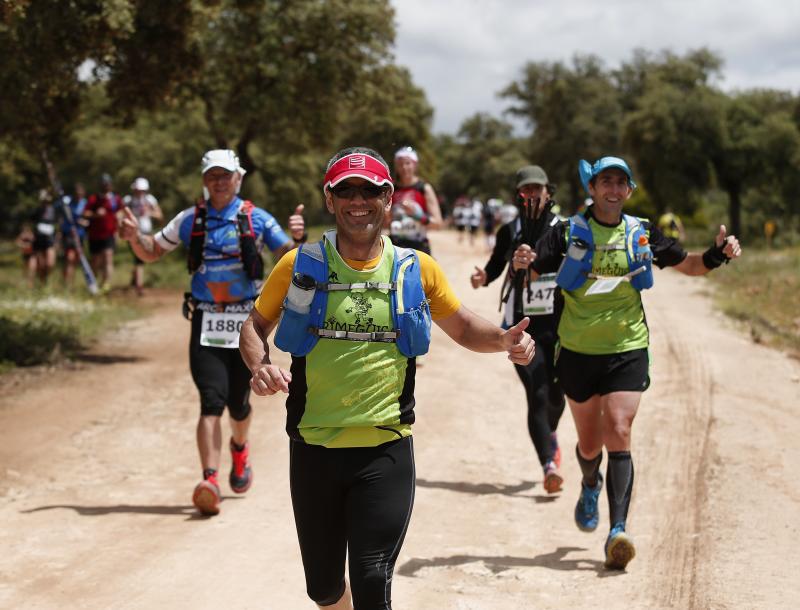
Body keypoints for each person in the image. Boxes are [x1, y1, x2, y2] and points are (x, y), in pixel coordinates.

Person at [238, 146, 534, 610]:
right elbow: (253, 327)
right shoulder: (299, 266)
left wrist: (503, 341)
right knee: (324, 588)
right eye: (346, 191)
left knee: (373, 579)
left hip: (385, 448)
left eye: (370, 190)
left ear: (388, 197)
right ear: (330, 200)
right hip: (314, 447)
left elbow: (461, 325)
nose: (359, 200)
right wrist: (259, 366)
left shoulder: (414, 269)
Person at [521, 156, 742, 570]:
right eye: (606, 181)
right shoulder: (567, 231)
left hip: (627, 346)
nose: (613, 190)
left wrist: (718, 254)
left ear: (629, 191)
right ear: (592, 188)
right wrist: (522, 263)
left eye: (621, 183)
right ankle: (590, 481)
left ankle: (617, 530)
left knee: (619, 428)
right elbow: (533, 269)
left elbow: (690, 265)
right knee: (589, 444)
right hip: (577, 349)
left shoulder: (641, 232)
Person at [118, 149, 306, 516]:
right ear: (205, 180)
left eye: (226, 175)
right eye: (212, 176)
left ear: (239, 178)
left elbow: (290, 257)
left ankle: (240, 448)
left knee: (239, 404)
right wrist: (133, 238)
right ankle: (209, 480)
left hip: (247, 324)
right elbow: (152, 251)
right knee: (210, 400)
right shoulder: (190, 220)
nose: (219, 182)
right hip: (206, 322)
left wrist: (298, 237)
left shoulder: (256, 218)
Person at [471, 165, 565, 495]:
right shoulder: (509, 230)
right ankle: (548, 466)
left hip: (560, 325)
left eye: (538, 189)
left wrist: (539, 265)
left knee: (556, 395)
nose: (532, 195)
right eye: (526, 190)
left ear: (548, 193)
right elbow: (497, 263)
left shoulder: (562, 229)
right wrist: (485, 276)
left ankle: (549, 434)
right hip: (522, 326)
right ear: (518, 194)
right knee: (536, 393)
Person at [387, 146, 443, 254]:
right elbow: (385, 223)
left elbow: (438, 224)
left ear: (415, 164)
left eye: (407, 163)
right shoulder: (391, 189)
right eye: (400, 164)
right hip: (395, 246)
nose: (404, 167)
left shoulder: (424, 188)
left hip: (419, 246)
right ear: (396, 166)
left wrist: (418, 215)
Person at [84, 174, 124, 291]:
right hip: (94, 235)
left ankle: (106, 284)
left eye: (108, 184)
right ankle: (93, 284)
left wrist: (120, 216)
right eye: (104, 184)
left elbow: (122, 211)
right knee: (95, 261)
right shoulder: (94, 199)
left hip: (109, 234)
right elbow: (85, 213)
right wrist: (96, 214)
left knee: (108, 257)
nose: (106, 186)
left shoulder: (115, 199)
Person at [123, 177, 163, 295]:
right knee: (139, 258)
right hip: (133, 232)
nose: (140, 192)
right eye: (138, 190)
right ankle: (139, 287)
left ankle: (135, 279)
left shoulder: (150, 200)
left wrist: (149, 212)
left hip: (146, 232)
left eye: (142, 190)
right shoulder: (128, 200)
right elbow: (121, 214)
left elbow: (159, 215)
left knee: (140, 257)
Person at [60, 183, 89, 288]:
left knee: (76, 259)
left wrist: (84, 222)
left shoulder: (85, 203)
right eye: (77, 193)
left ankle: (71, 283)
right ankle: (66, 283)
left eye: (80, 194)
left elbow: (88, 216)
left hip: (80, 234)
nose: (78, 196)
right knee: (69, 258)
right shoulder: (67, 202)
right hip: (69, 234)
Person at [30, 189, 58, 286]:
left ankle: (45, 279)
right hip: (39, 239)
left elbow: (58, 224)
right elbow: (30, 223)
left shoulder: (54, 210)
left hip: (50, 239)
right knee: (41, 264)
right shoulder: (37, 210)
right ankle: (42, 283)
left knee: (50, 263)